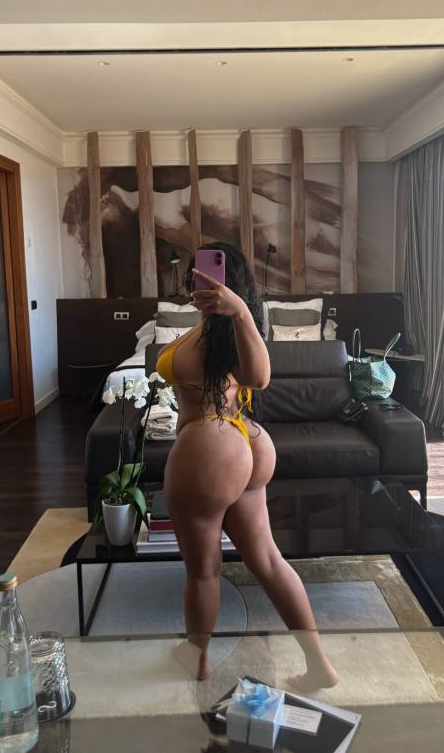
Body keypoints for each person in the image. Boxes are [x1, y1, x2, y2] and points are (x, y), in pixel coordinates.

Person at [158, 241, 338, 690]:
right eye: (195, 275)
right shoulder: (217, 330)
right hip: (246, 443)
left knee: (203, 569)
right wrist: (234, 313)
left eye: (205, 274)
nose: (198, 282)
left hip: (210, 445)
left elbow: (259, 378)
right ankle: (319, 665)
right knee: (268, 561)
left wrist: (238, 311)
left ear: (230, 283)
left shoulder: (237, 325)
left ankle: (197, 658)